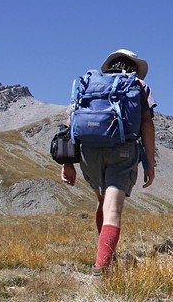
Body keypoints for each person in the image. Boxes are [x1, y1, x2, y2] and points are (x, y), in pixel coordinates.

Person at [60, 49, 157, 277]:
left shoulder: (89, 84)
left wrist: (66, 163)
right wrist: (149, 163)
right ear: (134, 68)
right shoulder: (138, 86)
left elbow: (69, 123)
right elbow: (147, 125)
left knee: (102, 202)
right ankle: (102, 270)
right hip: (123, 149)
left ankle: (107, 257)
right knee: (113, 208)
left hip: (89, 151)